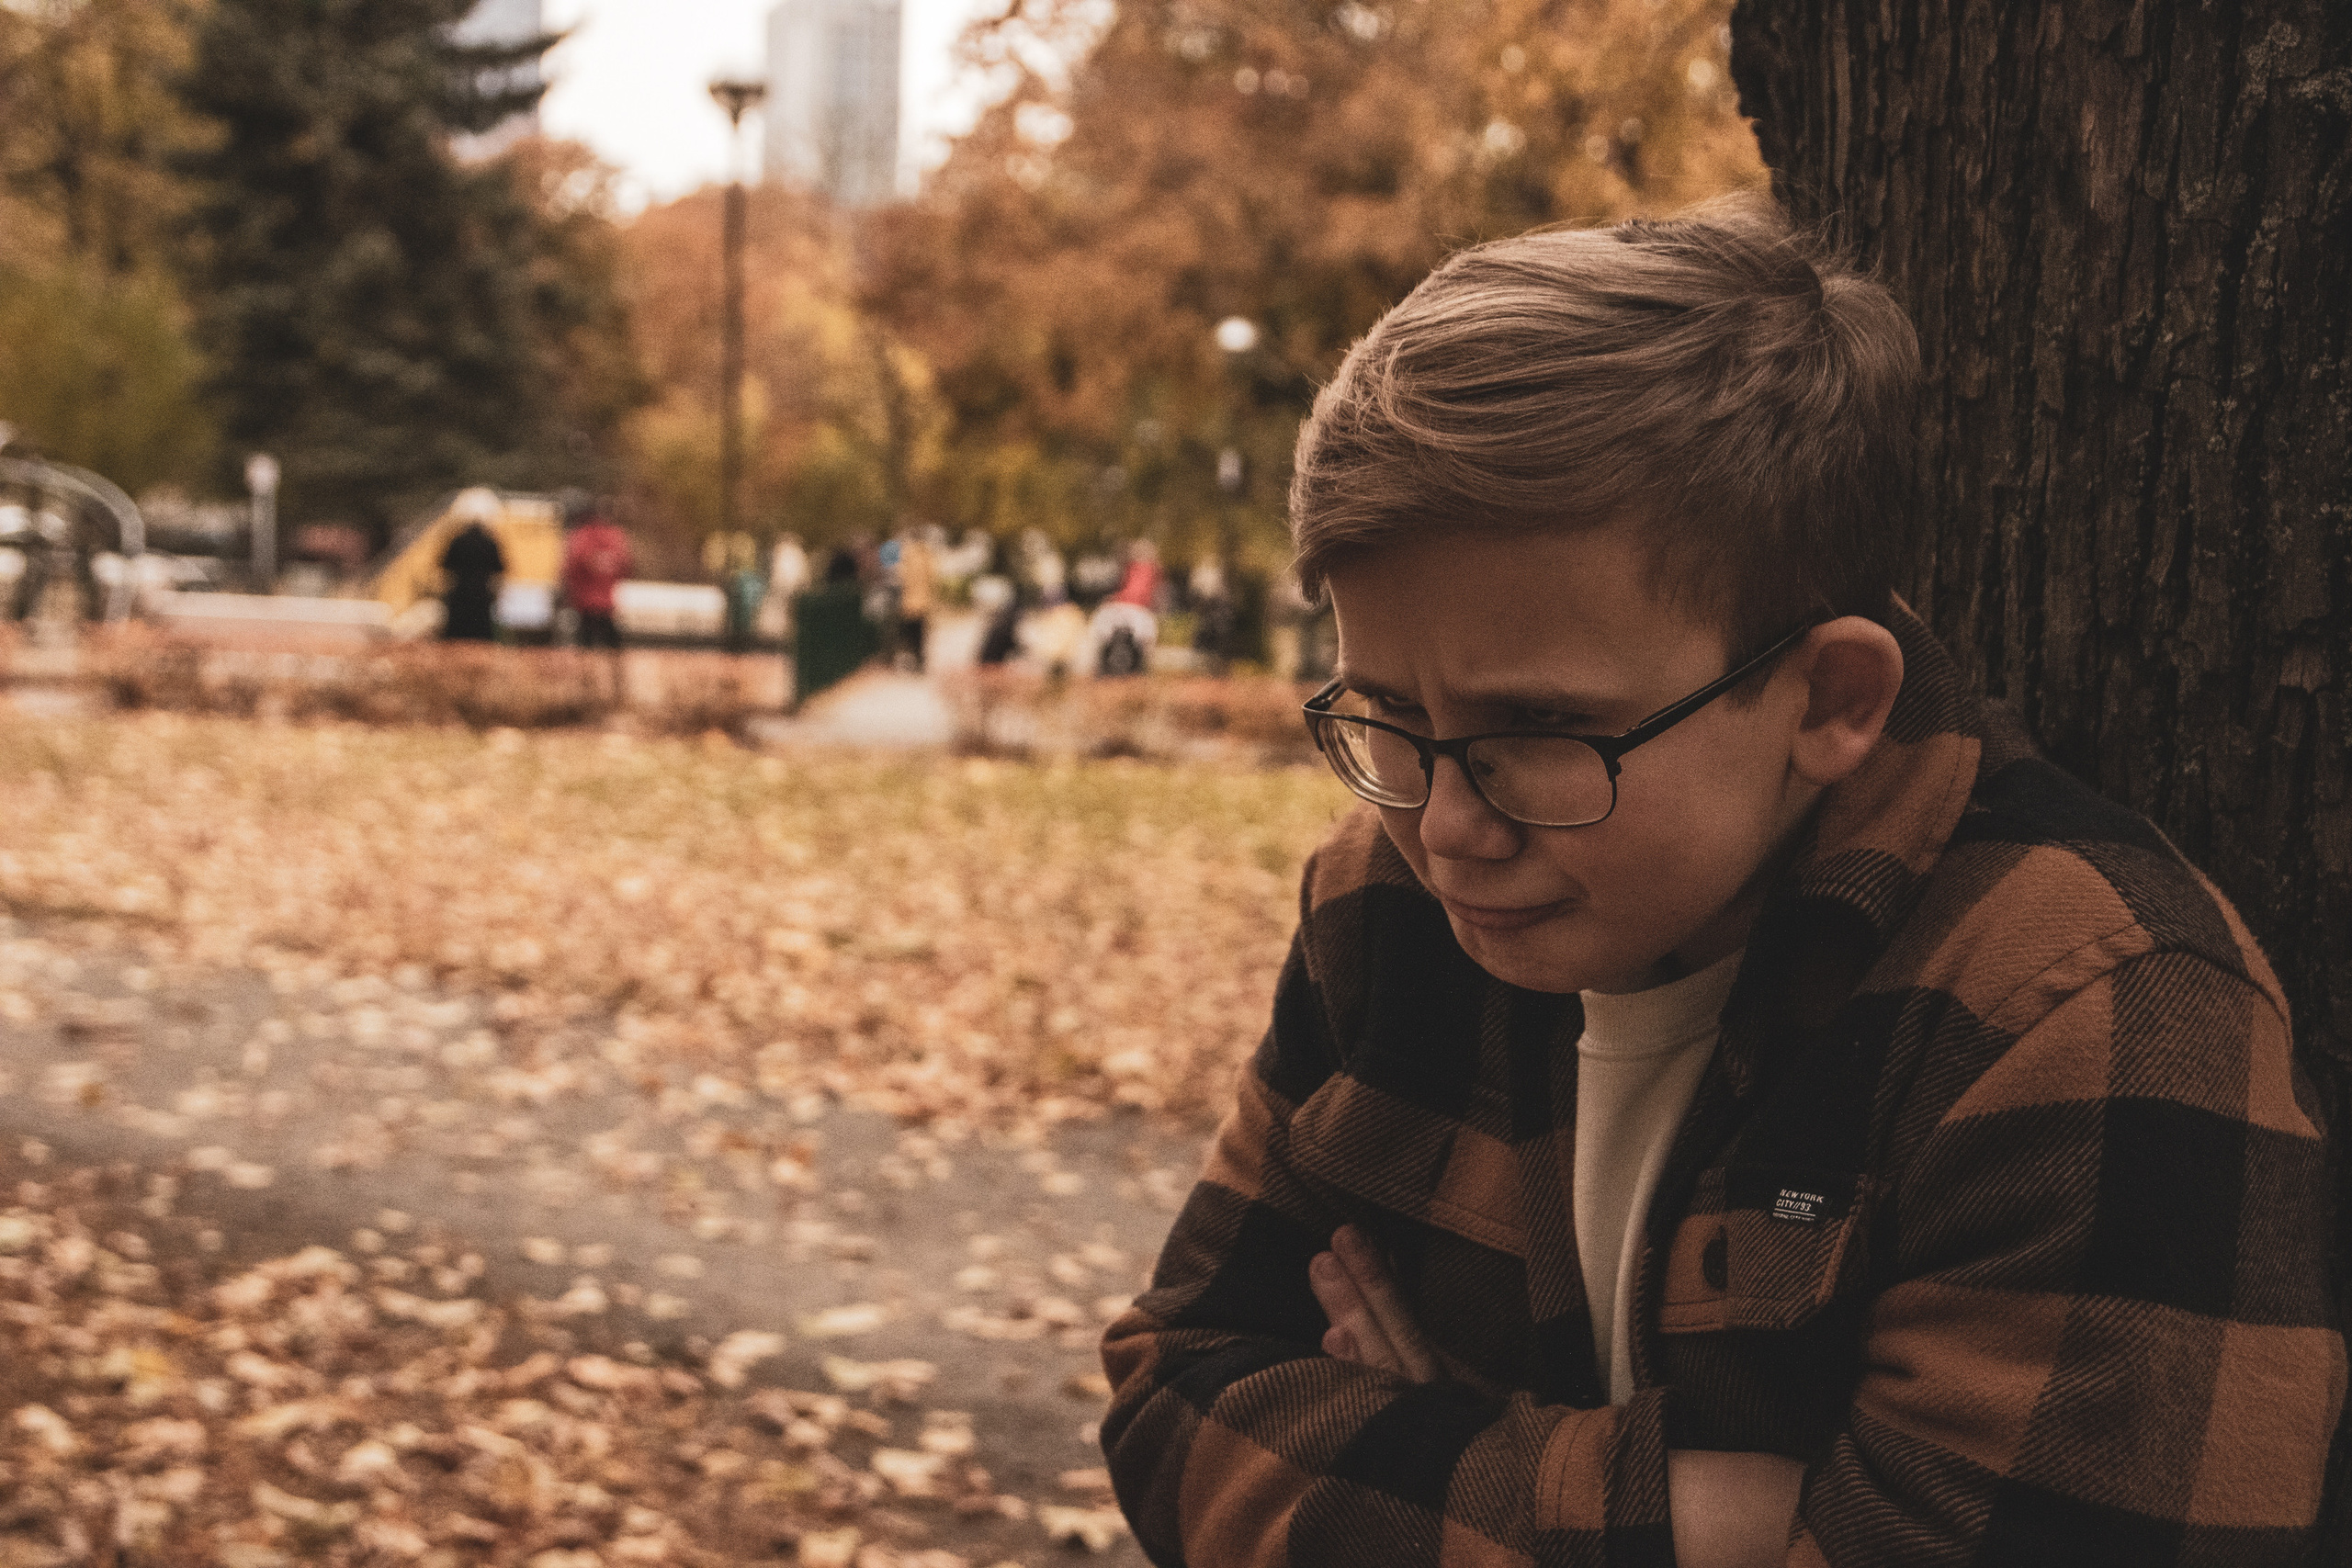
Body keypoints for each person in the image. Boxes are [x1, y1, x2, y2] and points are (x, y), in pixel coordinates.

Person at [1100, 197, 2344, 1567]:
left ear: (1831, 699)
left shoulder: (2084, 1017)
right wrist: (1693, 1515)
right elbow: (1176, 1389)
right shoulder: (1384, 914)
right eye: (1387, 713)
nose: (1446, 821)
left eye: (1541, 732)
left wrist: (1428, 1438)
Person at [560, 502, 634, 657]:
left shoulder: (581, 536)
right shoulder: (615, 536)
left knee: (585, 646)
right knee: (612, 648)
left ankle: (586, 679)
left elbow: (570, 567)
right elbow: (626, 565)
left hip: (585, 602)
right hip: (607, 601)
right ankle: (615, 678)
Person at [438, 516, 504, 642]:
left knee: (456, 638)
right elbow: (499, 570)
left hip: (460, 594)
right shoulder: (490, 543)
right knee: (481, 638)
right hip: (482, 595)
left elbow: (445, 568)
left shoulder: (457, 541)